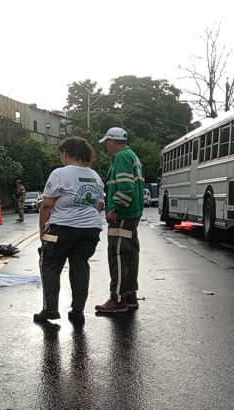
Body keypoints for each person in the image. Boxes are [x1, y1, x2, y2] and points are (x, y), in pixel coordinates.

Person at [34, 137, 104, 324]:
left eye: (61, 154)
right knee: (80, 266)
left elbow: (47, 205)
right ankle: (77, 311)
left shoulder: (60, 173)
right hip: (90, 229)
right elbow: (99, 205)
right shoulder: (95, 176)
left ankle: (50, 309)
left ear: (66, 153)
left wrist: (42, 228)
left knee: (49, 263)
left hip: (61, 229)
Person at [95, 127, 145, 314]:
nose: (106, 147)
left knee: (118, 254)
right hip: (133, 214)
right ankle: (130, 295)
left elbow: (126, 189)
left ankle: (118, 298)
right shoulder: (133, 156)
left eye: (106, 143)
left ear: (112, 141)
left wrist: (115, 209)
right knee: (131, 254)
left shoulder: (121, 157)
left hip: (123, 215)